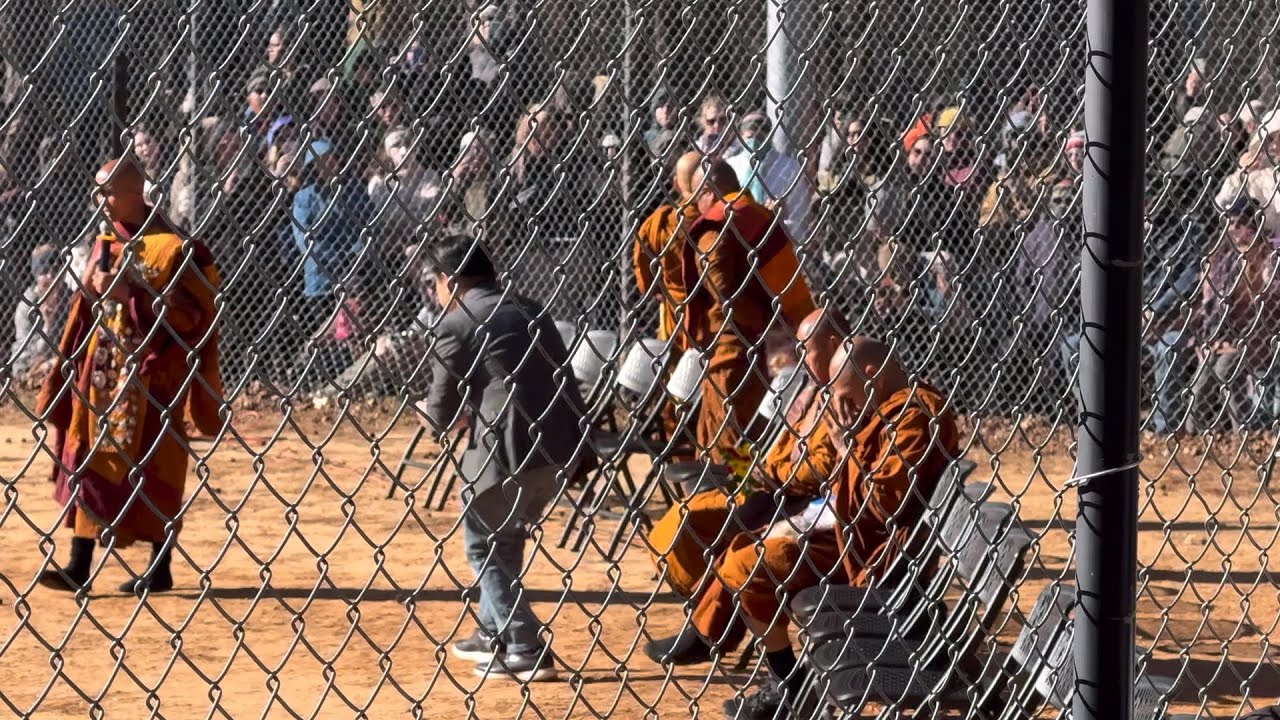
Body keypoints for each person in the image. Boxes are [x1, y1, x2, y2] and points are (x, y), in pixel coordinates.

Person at [722, 336, 959, 719]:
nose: (844, 409)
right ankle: (787, 681)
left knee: (752, 565)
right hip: (854, 535)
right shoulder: (886, 412)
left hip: (882, 555)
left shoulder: (914, 416)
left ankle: (787, 684)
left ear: (873, 377)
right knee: (743, 553)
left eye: (847, 398)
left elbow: (885, 504)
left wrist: (845, 450)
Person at [35, 158, 223, 594]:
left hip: (150, 379)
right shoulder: (103, 243)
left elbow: (195, 317)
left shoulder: (175, 249)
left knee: (157, 466)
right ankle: (78, 565)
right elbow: (83, 315)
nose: (99, 201)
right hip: (100, 377)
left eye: (108, 192)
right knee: (83, 457)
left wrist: (134, 295)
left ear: (134, 192)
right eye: (97, 192)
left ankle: (159, 568)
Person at [422, 235, 588, 683]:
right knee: (506, 535)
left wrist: (434, 416)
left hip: (509, 449)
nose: (434, 292)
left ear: (449, 280)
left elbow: (440, 416)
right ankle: (490, 629)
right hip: (562, 444)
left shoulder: (457, 321)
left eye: (433, 282)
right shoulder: (530, 307)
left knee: (482, 540)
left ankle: (523, 645)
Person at [644, 308, 846, 666]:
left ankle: (707, 631)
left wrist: (771, 472)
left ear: (832, 344)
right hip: (773, 489)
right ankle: (702, 618)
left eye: (808, 349)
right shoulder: (813, 389)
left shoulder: (847, 392)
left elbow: (819, 469)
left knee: (739, 542)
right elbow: (786, 448)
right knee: (690, 516)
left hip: (802, 501)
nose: (800, 358)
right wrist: (762, 470)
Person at [684, 159, 816, 464]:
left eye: (696, 199)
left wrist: (748, 325)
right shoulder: (756, 214)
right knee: (755, 428)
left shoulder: (716, 224)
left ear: (708, 191)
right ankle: (741, 487)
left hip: (736, 343)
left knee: (724, 434)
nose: (695, 209)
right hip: (776, 336)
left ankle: (723, 493)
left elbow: (720, 290)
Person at [633, 150, 701, 350]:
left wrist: (656, 291)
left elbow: (642, 268)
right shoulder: (720, 220)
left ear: (676, 184)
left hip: (673, 306)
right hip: (714, 309)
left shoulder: (659, 222)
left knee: (674, 367)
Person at [725, 111, 811, 242]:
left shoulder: (790, 168)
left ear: (770, 135)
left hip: (776, 241)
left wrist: (778, 219)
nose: (755, 142)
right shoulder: (730, 166)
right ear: (741, 136)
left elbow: (800, 218)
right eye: (750, 137)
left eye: (760, 137)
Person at [9, 244, 66, 384]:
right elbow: (29, 356)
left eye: (55, 270)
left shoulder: (68, 298)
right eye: (44, 271)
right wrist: (48, 325)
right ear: (36, 275)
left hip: (60, 361)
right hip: (30, 363)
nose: (51, 276)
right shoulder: (27, 306)